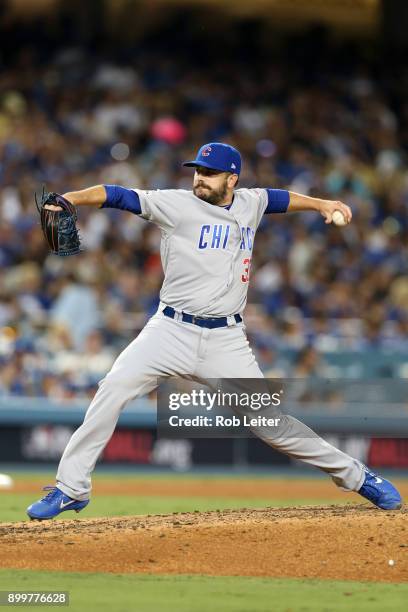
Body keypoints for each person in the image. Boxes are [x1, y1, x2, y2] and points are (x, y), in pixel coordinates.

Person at [27, 142, 402, 519]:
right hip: (169, 331)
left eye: (209, 173)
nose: (199, 178)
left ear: (232, 179)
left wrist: (322, 204)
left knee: (272, 423)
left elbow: (279, 198)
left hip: (226, 340)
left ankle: (357, 477)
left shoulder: (250, 202)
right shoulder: (176, 204)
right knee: (113, 388)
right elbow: (116, 195)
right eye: (197, 171)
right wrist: (72, 197)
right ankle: (71, 488)